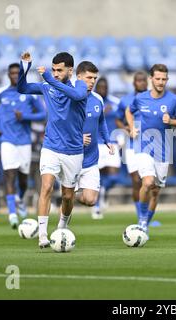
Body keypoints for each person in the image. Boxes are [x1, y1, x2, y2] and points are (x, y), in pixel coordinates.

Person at [17, 51, 87, 249]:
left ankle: (62, 225)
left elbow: (76, 95)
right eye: (53, 70)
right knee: (46, 187)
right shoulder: (48, 86)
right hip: (51, 146)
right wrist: (25, 66)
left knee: (67, 196)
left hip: (73, 150)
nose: (55, 74)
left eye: (60, 70)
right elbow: (22, 88)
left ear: (70, 71)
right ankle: (42, 236)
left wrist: (47, 77)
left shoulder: (80, 85)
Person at [125, 64, 176, 233]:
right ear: (151, 79)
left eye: (164, 79)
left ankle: (144, 222)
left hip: (163, 151)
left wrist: (172, 121)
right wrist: (132, 127)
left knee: (155, 191)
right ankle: (143, 220)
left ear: (167, 80)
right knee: (147, 181)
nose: (160, 82)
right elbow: (128, 111)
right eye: (157, 79)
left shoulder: (174, 100)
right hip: (143, 148)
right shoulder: (141, 98)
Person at [0, 63, 46, 228]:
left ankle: (20, 200)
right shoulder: (0, 92)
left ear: (22, 75)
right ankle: (12, 214)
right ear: (8, 75)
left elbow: (43, 113)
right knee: (9, 175)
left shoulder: (30, 93)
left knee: (23, 180)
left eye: (17, 73)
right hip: (7, 140)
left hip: (24, 142)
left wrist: (25, 116)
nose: (15, 75)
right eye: (12, 73)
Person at [59, 61, 114, 228]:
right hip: (71, 157)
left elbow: (101, 121)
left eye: (94, 78)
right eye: (89, 77)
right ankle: (62, 226)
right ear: (79, 76)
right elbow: (60, 125)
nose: (92, 81)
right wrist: (77, 138)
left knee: (90, 200)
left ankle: (67, 195)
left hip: (90, 159)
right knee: (68, 198)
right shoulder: (68, 97)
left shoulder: (98, 99)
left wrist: (107, 140)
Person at [115, 71, 149, 220]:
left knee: (147, 182)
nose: (141, 83)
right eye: (138, 80)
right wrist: (126, 128)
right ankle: (140, 215)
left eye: (143, 80)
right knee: (136, 181)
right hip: (131, 146)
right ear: (134, 83)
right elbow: (118, 119)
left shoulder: (152, 98)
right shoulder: (126, 100)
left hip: (150, 146)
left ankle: (146, 214)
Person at [93, 77, 121, 219]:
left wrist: (121, 135)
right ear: (97, 88)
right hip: (96, 143)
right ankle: (97, 206)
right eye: (100, 87)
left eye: (105, 87)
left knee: (113, 176)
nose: (103, 89)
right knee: (97, 176)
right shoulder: (91, 101)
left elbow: (121, 120)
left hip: (112, 143)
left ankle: (103, 192)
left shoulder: (116, 102)